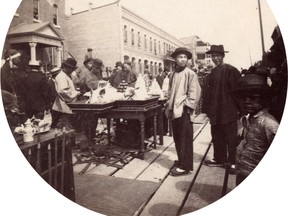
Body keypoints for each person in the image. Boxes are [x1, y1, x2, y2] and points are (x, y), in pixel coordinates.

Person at [232, 73, 279, 185]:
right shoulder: (249, 118)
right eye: (243, 98)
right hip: (242, 171)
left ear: (264, 99)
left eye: (253, 98)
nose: (247, 101)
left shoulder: (269, 124)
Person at [203, 45, 241, 173]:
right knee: (217, 134)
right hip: (215, 109)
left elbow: (238, 91)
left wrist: (239, 110)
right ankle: (219, 158)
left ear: (223, 56)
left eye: (218, 55)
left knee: (231, 137)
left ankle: (233, 162)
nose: (215, 58)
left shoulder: (232, 71)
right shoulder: (213, 73)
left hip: (228, 109)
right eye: (213, 56)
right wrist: (208, 110)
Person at [165, 47, 201, 176]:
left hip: (184, 111)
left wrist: (186, 106)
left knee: (185, 139)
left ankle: (185, 166)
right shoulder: (173, 74)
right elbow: (170, 91)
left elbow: (195, 93)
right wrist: (169, 102)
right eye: (180, 57)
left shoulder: (190, 73)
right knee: (178, 137)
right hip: (175, 110)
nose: (182, 59)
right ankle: (181, 160)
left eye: (185, 57)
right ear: (175, 59)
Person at [51, 58, 80, 129]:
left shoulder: (65, 75)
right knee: (64, 129)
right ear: (67, 67)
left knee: (66, 128)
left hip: (66, 107)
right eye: (72, 69)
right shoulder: (61, 76)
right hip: (62, 108)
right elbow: (62, 91)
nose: (73, 71)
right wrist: (76, 93)